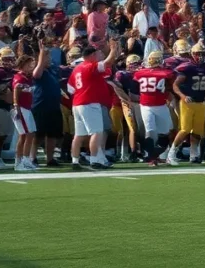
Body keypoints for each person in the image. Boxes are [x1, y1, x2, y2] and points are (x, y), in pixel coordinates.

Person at [67, 39, 120, 170]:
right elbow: (107, 63)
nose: (98, 56)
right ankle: (95, 160)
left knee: (79, 135)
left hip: (77, 103)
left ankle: (75, 161)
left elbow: (70, 89)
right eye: (97, 54)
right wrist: (113, 50)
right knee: (96, 132)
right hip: (89, 103)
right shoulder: (90, 66)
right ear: (91, 55)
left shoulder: (77, 69)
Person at [167, 44, 205, 165]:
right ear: (193, 54)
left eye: (203, 53)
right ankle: (171, 154)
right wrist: (183, 96)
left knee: (198, 130)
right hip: (188, 102)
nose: (201, 56)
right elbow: (175, 85)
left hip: (201, 102)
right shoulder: (187, 67)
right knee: (185, 129)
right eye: (199, 54)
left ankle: (193, 155)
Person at [132, 51, 174, 166]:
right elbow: (169, 84)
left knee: (150, 131)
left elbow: (135, 88)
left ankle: (152, 156)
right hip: (160, 105)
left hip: (145, 106)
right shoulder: (166, 73)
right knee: (163, 133)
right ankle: (152, 157)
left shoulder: (139, 73)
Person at [11, 54, 39, 171]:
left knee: (29, 134)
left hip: (27, 108)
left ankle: (24, 160)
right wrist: (16, 106)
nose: (31, 67)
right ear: (22, 65)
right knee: (25, 134)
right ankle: (21, 162)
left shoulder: (28, 78)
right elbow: (16, 90)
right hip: (21, 108)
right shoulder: (19, 77)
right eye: (29, 65)